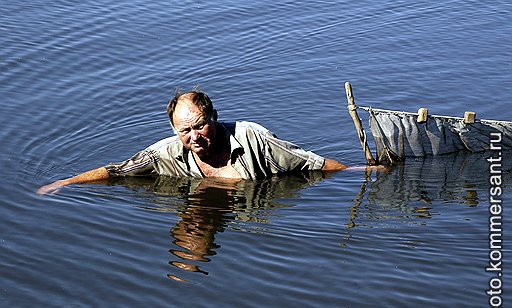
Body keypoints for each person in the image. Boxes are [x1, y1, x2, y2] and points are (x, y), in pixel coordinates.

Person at [37, 90, 353, 195]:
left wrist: (361, 171)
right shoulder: (164, 154)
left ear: (213, 117)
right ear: (175, 130)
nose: (195, 137)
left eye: (200, 126)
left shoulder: (254, 137)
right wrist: (67, 182)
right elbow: (117, 170)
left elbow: (314, 163)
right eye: (185, 131)